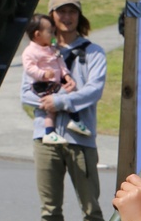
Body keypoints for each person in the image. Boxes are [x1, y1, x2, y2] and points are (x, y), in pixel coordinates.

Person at [21, 0, 107, 221]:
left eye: (72, 11)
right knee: (49, 205)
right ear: (51, 17)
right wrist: (47, 100)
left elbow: (93, 91)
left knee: (90, 204)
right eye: (61, 12)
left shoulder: (92, 52)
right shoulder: (37, 52)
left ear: (79, 16)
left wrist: (60, 101)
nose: (67, 17)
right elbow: (25, 93)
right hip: (45, 139)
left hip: (79, 138)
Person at [20, 15, 92, 144]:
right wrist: (43, 74)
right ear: (37, 34)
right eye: (50, 32)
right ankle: (64, 125)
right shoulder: (30, 52)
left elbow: (61, 64)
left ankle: (60, 127)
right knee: (64, 97)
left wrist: (66, 75)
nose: (53, 35)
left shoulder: (52, 48)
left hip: (54, 83)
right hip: (42, 85)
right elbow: (29, 68)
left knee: (61, 100)